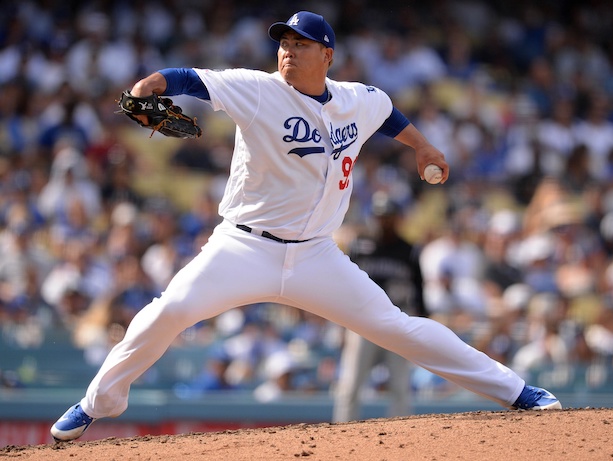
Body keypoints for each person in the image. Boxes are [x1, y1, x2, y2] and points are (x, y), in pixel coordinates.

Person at [51, 11, 561, 443]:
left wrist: (422, 146)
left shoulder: (356, 99)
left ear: (327, 56)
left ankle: (518, 392)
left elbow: (386, 115)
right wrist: (148, 87)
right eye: (285, 44)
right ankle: (96, 405)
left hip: (317, 255)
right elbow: (187, 78)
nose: (289, 51)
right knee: (170, 311)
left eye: (301, 44)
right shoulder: (257, 90)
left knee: (396, 327)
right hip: (243, 247)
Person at [332, 191, 427, 422]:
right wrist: (341, 326)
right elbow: (346, 287)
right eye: (380, 216)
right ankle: (341, 436)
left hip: (397, 322)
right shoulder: (360, 245)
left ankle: (401, 439)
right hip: (363, 323)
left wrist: (421, 324)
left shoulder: (409, 250)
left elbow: (419, 293)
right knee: (350, 385)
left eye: (389, 216)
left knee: (400, 386)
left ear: (397, 218)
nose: (384, 221)